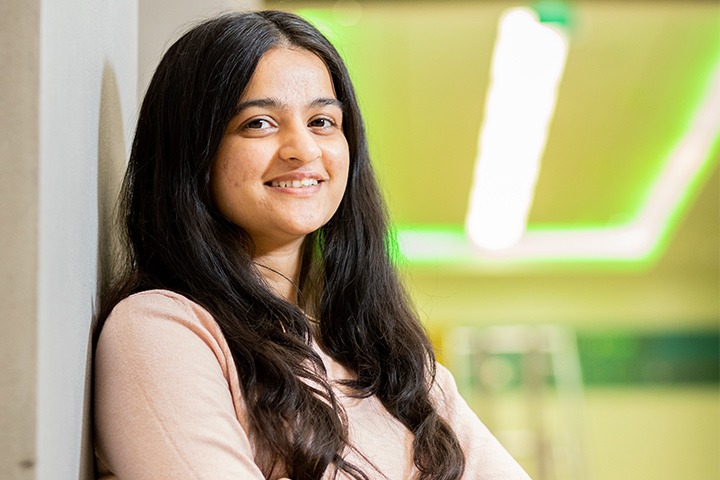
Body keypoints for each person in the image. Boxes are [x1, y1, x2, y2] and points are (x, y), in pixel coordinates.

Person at [93, 10, 531, 480]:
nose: (303, 149)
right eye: (258, 123)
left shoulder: (401, 371)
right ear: (192, 151)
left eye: (323, 121)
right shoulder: (163, 330)